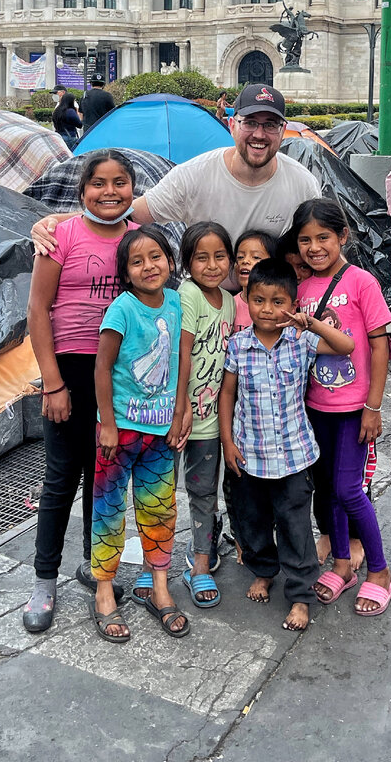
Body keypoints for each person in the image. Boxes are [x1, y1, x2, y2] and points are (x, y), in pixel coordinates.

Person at [21, 150, 137, 633]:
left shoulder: (139, 239)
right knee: (61, 478)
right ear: (81, 190)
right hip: (68, 371)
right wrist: (53, 383)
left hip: (118, 378)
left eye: (120, 183)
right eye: (99, 183)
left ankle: (96, 565)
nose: (109, 192)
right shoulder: (59, 236)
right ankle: (44, 579)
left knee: (104, 479)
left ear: (134, 189)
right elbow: (37, 309)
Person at [219, 259, 355, 632]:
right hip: (250, 455)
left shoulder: (301, 339)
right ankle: (263, 571)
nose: (267, 309)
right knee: (255, 522)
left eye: (278, 301)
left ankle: (300, 594)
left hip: (295, 457)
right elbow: (227, 394)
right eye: (259, 300)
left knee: (295, 526)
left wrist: (308, 322)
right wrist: (228, 441)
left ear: (292, 304)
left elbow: (347, 345)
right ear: (246, 299)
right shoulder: (238, 345)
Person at [31, 84, 319, 253]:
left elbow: (322, 245)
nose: (259, 134)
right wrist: (57, 220)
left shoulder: (302, 184)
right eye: (251, 123)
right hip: (203, 304)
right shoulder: (195, 174)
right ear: (232, 125)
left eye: (270, 125)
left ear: (283, 131)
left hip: (267, 306)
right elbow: (132, 213)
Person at [291, 198, 391, 616]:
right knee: (329, 489)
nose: (314, 247)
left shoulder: (361, 283)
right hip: (317, 407)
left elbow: (379, 347)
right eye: (305, 240)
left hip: (355, 408)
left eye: (323, 238)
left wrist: (374, 406)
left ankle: (381, 572)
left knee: (350, 489)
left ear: (343, 237)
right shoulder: (301, 288)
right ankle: (340, 564)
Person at [90, 227, 192, 642]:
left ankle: (160, 588)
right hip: (121, 432)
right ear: (126, 273)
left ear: (170, 262)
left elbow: (180, 358)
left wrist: (180, 407)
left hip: (161, 432)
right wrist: (108, 425)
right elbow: (101, 368)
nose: (149, 266)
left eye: (157, 257)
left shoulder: (175, 302)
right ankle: (103, 594)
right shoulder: (122, 309)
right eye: (137, 261)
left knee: (160, 511)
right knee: (109, 512)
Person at [174, 222, 235, 608]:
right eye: (201, 257)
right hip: (178, 418)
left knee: (203, 495)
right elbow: (182, 355)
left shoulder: (229, 301)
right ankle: (155, 566)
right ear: (187, 263)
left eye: (219, 257)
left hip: (210, 422)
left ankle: (200, 567)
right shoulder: (188, 294)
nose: (211, 265)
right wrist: (180, 408)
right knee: (159, 495)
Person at [232, 230, 278, 331]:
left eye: (256, 257)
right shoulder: (230, 305)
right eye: (240, 257)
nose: (245, 261)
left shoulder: (281, 304)